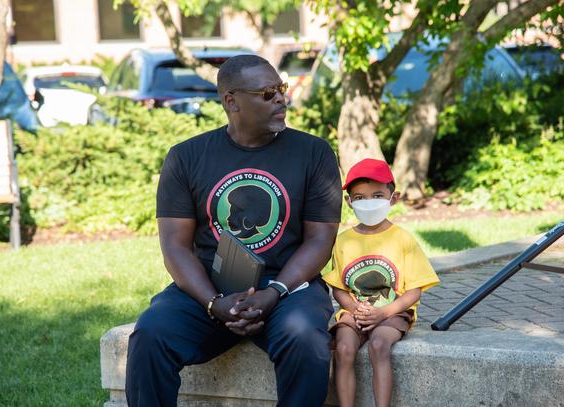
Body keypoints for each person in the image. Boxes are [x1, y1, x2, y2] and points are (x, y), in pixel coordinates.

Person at [125, 54, 342, 406]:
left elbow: (320, 240)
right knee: (151, 334)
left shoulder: (313, 153)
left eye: (281, 89)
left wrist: (273, 293)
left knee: (304, 338)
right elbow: (176, 247)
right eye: (267, 93)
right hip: (212, 290)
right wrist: (213, 303)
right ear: (231, 101)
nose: (280, 99)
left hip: (289, 288)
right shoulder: (186, 157)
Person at [322, 158, 440, 407]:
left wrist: (383, 313)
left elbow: (414, 292)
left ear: (393, 198)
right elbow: (339, 288)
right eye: (360, 197)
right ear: (349, 202)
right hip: (355, 311)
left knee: (379, 345)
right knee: (343, 349)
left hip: (393, 311)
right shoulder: (344, 241)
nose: (368, 203)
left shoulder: (403, 239)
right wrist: (355, 310)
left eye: (377, 195)